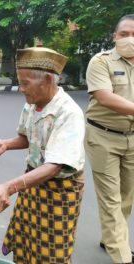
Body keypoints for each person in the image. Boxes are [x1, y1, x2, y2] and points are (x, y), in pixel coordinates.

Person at [0, 47, 85, 263]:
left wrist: (9, 187)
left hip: (60, 190)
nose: (20, 89)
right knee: (26, 241)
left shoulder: (68, 113)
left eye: (25, 83)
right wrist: (6, 145)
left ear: (48, 79)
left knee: (52, 251)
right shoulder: (32, 104)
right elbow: (28, 138)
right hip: (32, 182)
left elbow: (55, 165)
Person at [84, 14, 134, 264]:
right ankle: (123, 258)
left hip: (132, 139)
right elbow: (104, 97)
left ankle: (111, 238)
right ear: (115, 37)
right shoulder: (100, 61)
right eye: (124, 34)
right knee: (111, 199)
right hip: (103, 137)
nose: (130, 39)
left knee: (126, 197)